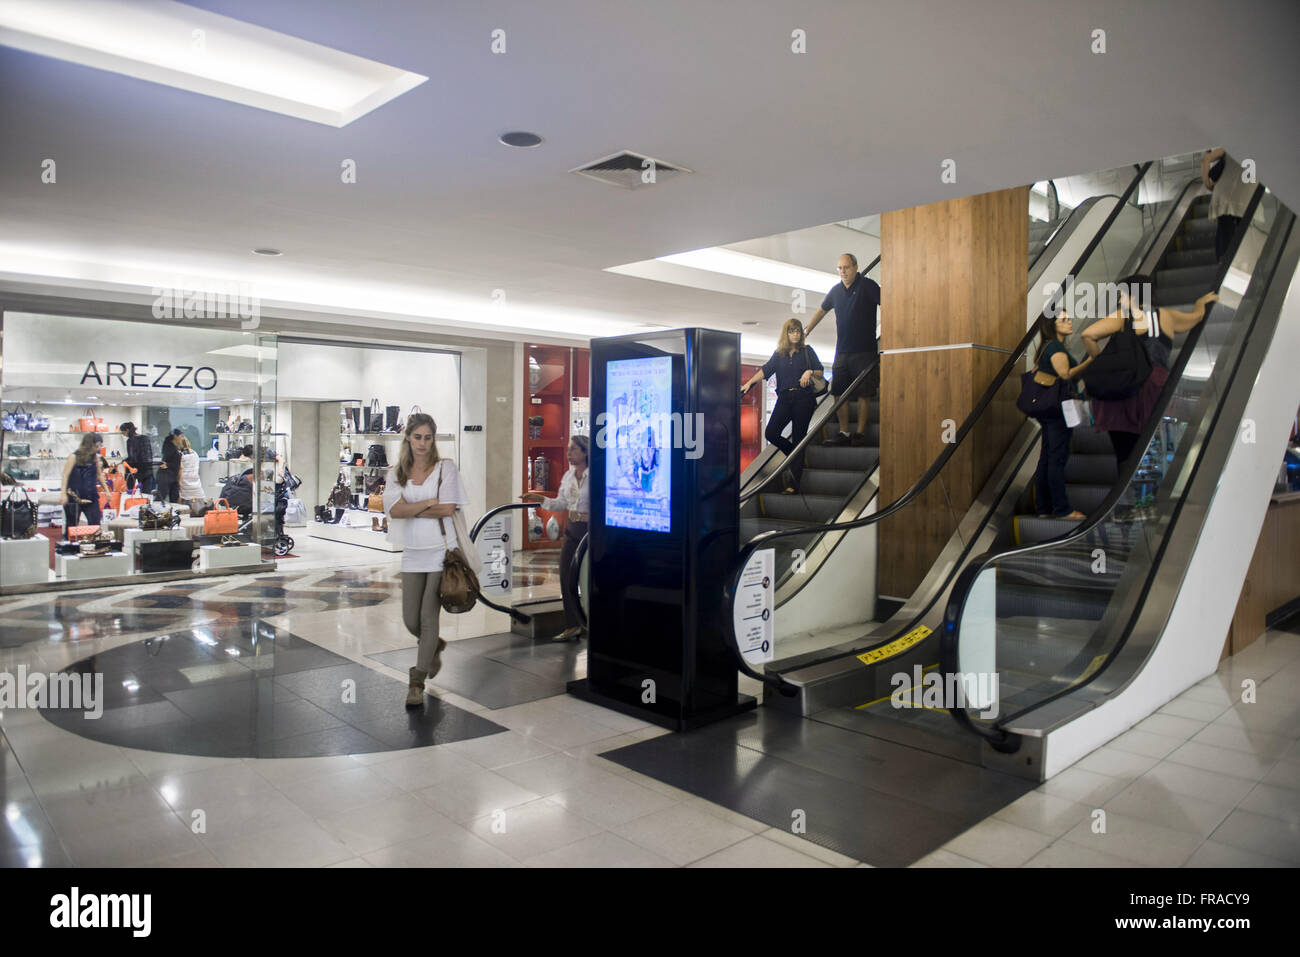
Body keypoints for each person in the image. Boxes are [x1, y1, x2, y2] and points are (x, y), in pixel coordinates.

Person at [1081, 274, 1219, 469]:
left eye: (1122, 296)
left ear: (1134, 296)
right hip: (1158, 388)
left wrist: (1100, 360)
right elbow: (1195, 318)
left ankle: (1127, 487)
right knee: (1153, 444)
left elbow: (1087, 334)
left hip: (1128, 388)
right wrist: (1200, 303)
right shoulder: (1167, 316)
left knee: (1126, 450)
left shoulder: (1124, 316)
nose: (1120, 301)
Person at [383, 413, 470, 708]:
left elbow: (447, 508)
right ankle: (435, 646)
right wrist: (428, 503)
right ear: (408, 437)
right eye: (417, 437)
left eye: (428, 437)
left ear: (434, 439)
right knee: (410, 620)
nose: (422, 443)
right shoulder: (397, 472)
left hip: (441, 551)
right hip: (412, 551)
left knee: (428, 618)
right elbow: (394, 510)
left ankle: (416, 681)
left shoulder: (445, 468)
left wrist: (414, 508)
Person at [804, 252, 881, 446]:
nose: (843, 272)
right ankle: (844, 432)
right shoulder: (835, 291)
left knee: (865, 393)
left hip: (865, 350)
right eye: (840, 268)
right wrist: (807, 331)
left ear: (855, 267)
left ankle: (861, 433)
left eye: (846, 267)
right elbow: (822, 310)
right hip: (842, 352)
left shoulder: (868, 286)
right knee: (838, 391)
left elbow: (887, 303)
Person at [742, 317, 825, 492]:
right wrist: (750, 383)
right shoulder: (779, 354)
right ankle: (794, 457)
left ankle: (793, 485)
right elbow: (766, 369)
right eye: (791, 331)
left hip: (804, 399)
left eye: (797, 331)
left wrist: (809, 371)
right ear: (786, 334)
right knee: (771, 432)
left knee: (798, 437)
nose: (795, 334)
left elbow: (819, 371)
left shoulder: (807, 351)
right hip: (785, 398)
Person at [522, 436, 589, 642]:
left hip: (591, 532)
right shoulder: (568, 476)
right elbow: (560, 503)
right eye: (569, 449)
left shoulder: (596, 475)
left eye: (574, 449)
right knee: (567, 577)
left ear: (586, 452)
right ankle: (572, 625)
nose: (569, 453)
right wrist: (540, 499)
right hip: (572, 530)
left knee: (589, 580)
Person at [1032, 309, 1093, 520]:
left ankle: (1044, 508)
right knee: (1056, 458)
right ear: (1052, 325)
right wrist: (1090, 360)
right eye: (1064, 319)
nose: (1069, 322)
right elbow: (1065, 375)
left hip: (1048, 409)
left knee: (1047, 458)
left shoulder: (1046, 348)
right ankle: (1062, 509)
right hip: (1058, 409)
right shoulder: (1055, 348)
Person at [1202, 148, 1255, 261]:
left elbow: (1206, 159)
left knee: (1225, 232)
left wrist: (1207, 184)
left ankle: (1224, 262)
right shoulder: (1263, 149)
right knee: (1245, 233)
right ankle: (1241, 261)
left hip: (1224, 197)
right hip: (1247, 198)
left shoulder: (1231, 146)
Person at [61, 433, 109, 533]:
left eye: (99, 446)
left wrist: (107, 491)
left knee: (96, 524)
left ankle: (94, 546)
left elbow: (99, 475)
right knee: (71, 526)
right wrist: (63, 494)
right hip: (73, 495)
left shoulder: (95, 458)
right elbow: (65, 475)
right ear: (89, 445)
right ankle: (70, 547)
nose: (98, 448)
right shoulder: (73, 457)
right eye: (97, 446)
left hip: (90, 495)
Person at [119, 422, 154, 494]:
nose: (123, 434)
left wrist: (123, 461)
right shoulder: (145, 438)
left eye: (123, 432)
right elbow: (149, 454)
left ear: (127, 430)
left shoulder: (130, 441)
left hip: (137, 470)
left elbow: (132, 458)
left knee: (131, 492)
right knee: (146, 494)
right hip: (148, 469)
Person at [154, 429, 181, 503]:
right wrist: (168, 465)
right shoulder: (169, 447)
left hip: (172, 476)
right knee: (161, 498)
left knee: (174, 498)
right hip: (165, 476)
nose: (182, 438)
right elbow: (167, 462)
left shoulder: (173, 447)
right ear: (175, 436)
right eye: (181, 436)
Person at [176, 435, 204, 502]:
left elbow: (180, 469)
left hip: (184, 485)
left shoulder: (179, 455)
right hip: (196, 485)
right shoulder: (194, 453)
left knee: (181, 507)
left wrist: (178, 483)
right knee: (198, 507)